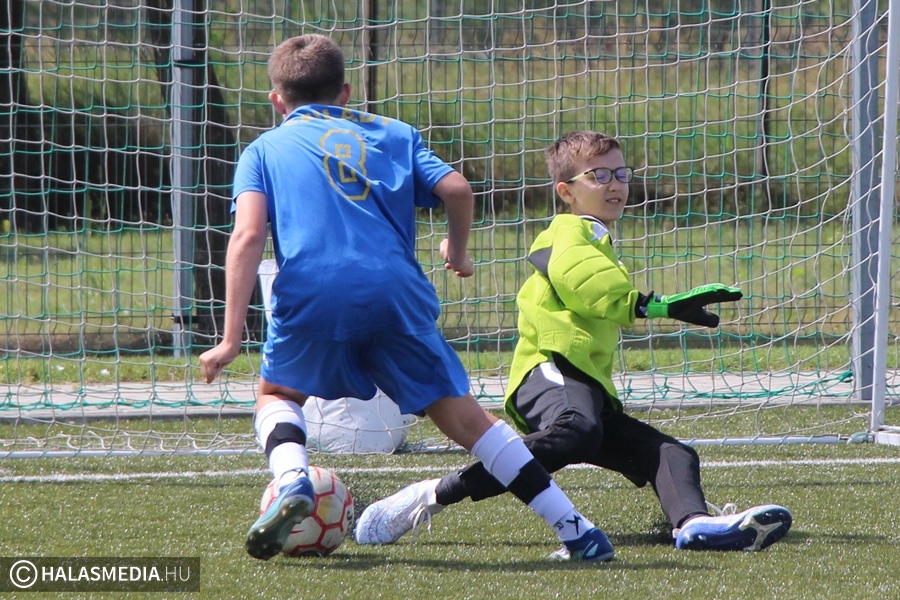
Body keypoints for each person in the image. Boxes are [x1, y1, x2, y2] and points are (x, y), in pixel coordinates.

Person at [199, 35, 613, 562]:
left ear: (277, 101)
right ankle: (576, 529)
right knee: (467, 420)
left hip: (313, 290)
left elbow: (247, 238)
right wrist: (458, 254)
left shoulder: (263, 150)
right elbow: (458, 190)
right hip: (396, 291)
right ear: (345, 92)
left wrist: (231, 337)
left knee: (278, 395)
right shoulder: (394, 132)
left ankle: (293, 478)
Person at [354, 130, 793, 555]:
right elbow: (585, 281)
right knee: (578, 430)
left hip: (585, 385)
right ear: (566, 191)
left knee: (669, 453)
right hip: (548, 370)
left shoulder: (599, 238)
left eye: (621, 174)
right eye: (599, 176)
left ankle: (694, 525)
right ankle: (431, 495)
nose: (615, 185)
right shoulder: (567, 233)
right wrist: (652, 307)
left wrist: (648, 308)